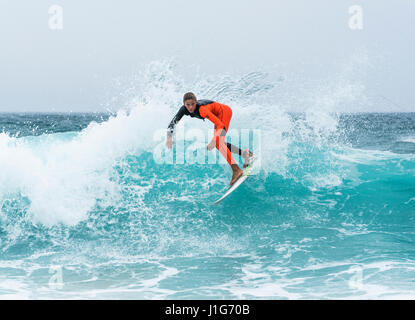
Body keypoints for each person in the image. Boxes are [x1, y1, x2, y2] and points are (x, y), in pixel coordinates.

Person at [166, 92, 254, 186]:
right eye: (188, 105)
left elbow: (220, 125)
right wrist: (169, 137)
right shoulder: (183, 110)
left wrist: (213, 140)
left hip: (224, 113)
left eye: (193, 104)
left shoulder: (202, 110)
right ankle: (246, 154)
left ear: (196, 102)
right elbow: (173, 122)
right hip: (219, 116)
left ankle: (236, 170)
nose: (190, 107)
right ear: (184, 104)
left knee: (218, 143)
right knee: (220, 143)